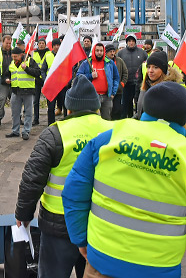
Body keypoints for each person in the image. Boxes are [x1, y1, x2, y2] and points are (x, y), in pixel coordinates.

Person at [62, 82, 186, 278]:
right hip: (160, 267)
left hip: (102, 260)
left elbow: (73, 191)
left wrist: (81, 240)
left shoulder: (110, 137)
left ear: (144, 107)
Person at [15, 75, 111, 278]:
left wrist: (23, 214)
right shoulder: (113, 132)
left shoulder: (54, 133)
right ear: (96, 107)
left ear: (69, 108)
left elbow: (32, 179)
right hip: (100, 222)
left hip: (59, 223)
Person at [4, 47, 40, 140]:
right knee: (15, 112)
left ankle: (26, 131)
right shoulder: (12, 63)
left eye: (15, 56)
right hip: (16, 91)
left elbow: (37, 72)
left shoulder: (29, 61)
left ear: (21, 55)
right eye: (13, 56)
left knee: (28, 112)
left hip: (28, 91)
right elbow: (7, 73)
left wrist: (26, 69)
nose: (14, 58)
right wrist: (7, 79)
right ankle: (15, 131)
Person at [76, 43, 119, 120]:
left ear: (104, 52)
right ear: (94, 51)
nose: (99, 53)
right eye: (97, 50)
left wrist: (113, 92)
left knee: (107, 119)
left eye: (101, 51)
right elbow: (78, 76)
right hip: (92, 97)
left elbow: (116, 78)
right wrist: (90, 76)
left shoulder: (109, 63)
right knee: (94, 120)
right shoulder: (87, 63)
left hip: (107, 97)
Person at [135, 50, 183, 117]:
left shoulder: (170, 91)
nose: (150, 71)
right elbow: (140, 112)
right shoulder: (145, 85)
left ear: (163, 70)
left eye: (155, 67)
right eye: (148, 67)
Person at [117, 34, 147, 117]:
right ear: (127, 42)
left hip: (139, 84)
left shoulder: (142, 53)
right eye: (129, 41)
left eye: (133, 41)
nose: (131, 43)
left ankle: (138, 119)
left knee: (139, 103)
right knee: (126, 104)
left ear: (135, 42)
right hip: (126, 83)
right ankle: (125, 121)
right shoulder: (121, 53)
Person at [32, 38, 53, 125]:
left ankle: (49, 119)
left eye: (43, 43)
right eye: (39, 43)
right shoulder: (34, 53)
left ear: (45, 44)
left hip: (46, 79)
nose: (41, 45)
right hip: (37, 79)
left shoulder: (49, 53)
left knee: (49, 101)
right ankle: (36, 119)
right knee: (36, 100)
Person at [41, 38, 62, 125]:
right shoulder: (48, 56)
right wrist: (46, 80)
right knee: (51, 107)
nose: (57, 47)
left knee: (64, 105)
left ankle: (64, 124)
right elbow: (43, 70)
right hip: (51, 86)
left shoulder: (64, 55)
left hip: (62, 85)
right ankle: (51, 124)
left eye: (58, 45)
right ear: (52, 47)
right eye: (55, 45)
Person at [0, 34, 12, 127]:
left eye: (10, 43)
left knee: (15, 101)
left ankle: (18, 117)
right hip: (1, 79)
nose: (8, 45)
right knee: (0, 99)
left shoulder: (14, 52)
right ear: (2, 42)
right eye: (6, 43)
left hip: (13, 80)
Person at [104, 44, 127, 120]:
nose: (112, 53)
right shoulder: (104, 62)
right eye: (110, 51)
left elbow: (125, 72)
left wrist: (122, 84)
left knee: (117, 109)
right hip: (106, 91)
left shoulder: (119, 61)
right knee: (107, 109)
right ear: (106, 53)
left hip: (118, 91)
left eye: (113, 51)